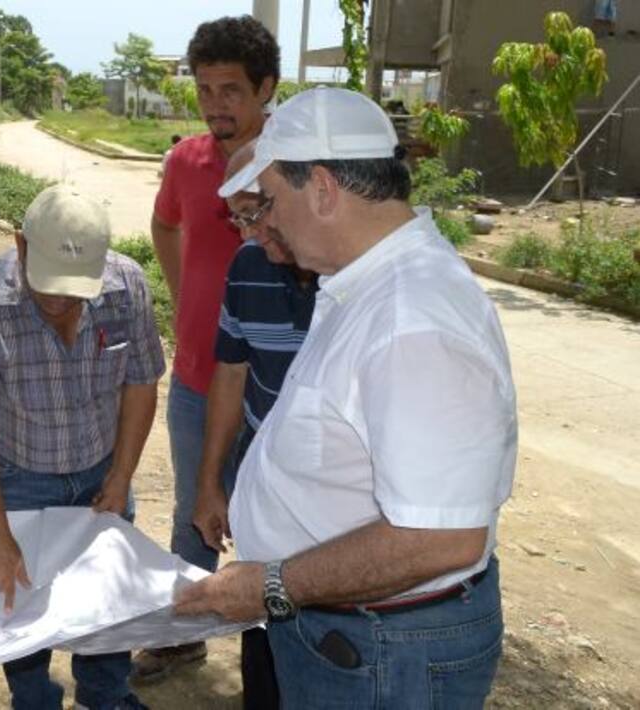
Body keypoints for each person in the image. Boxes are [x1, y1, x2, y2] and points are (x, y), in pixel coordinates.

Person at [175, 88, 517, 708]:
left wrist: (272, 584)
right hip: (355, 633)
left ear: (325, 189)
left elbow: (440, 538)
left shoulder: (413, 320)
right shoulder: (364, 285)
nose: (264, 225)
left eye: (270, 202)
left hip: (388, 651)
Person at [0, 185, 165, 710]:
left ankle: (106, 693)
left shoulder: (125, 284)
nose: (63, 302)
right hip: (20, 475)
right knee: (19, 602)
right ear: (21, 246)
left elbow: (140, 383)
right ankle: (34, 699)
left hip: (100, 466)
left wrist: (120, 476)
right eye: (50, 290)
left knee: (105, 598)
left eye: (76, 292)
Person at [140, 14, 280, 681]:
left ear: (265, 90)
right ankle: (185, 629)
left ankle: (271, 637)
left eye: (230, 90)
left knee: (273, 515)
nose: (215, 105)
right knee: (196, 510)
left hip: (275, 383)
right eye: (204, 90)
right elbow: (164, 224)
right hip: (198, 370)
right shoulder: (185, 160)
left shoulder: (292, 165)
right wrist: (185, 296)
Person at [190, 143, 318, 709]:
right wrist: (211, 481)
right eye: (237, 217)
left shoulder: (347, 280)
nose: (246, 234)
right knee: (263, 653)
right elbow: (232, 373)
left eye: (254, 214)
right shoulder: (246, 266)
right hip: (266, 494)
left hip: (333, 511)